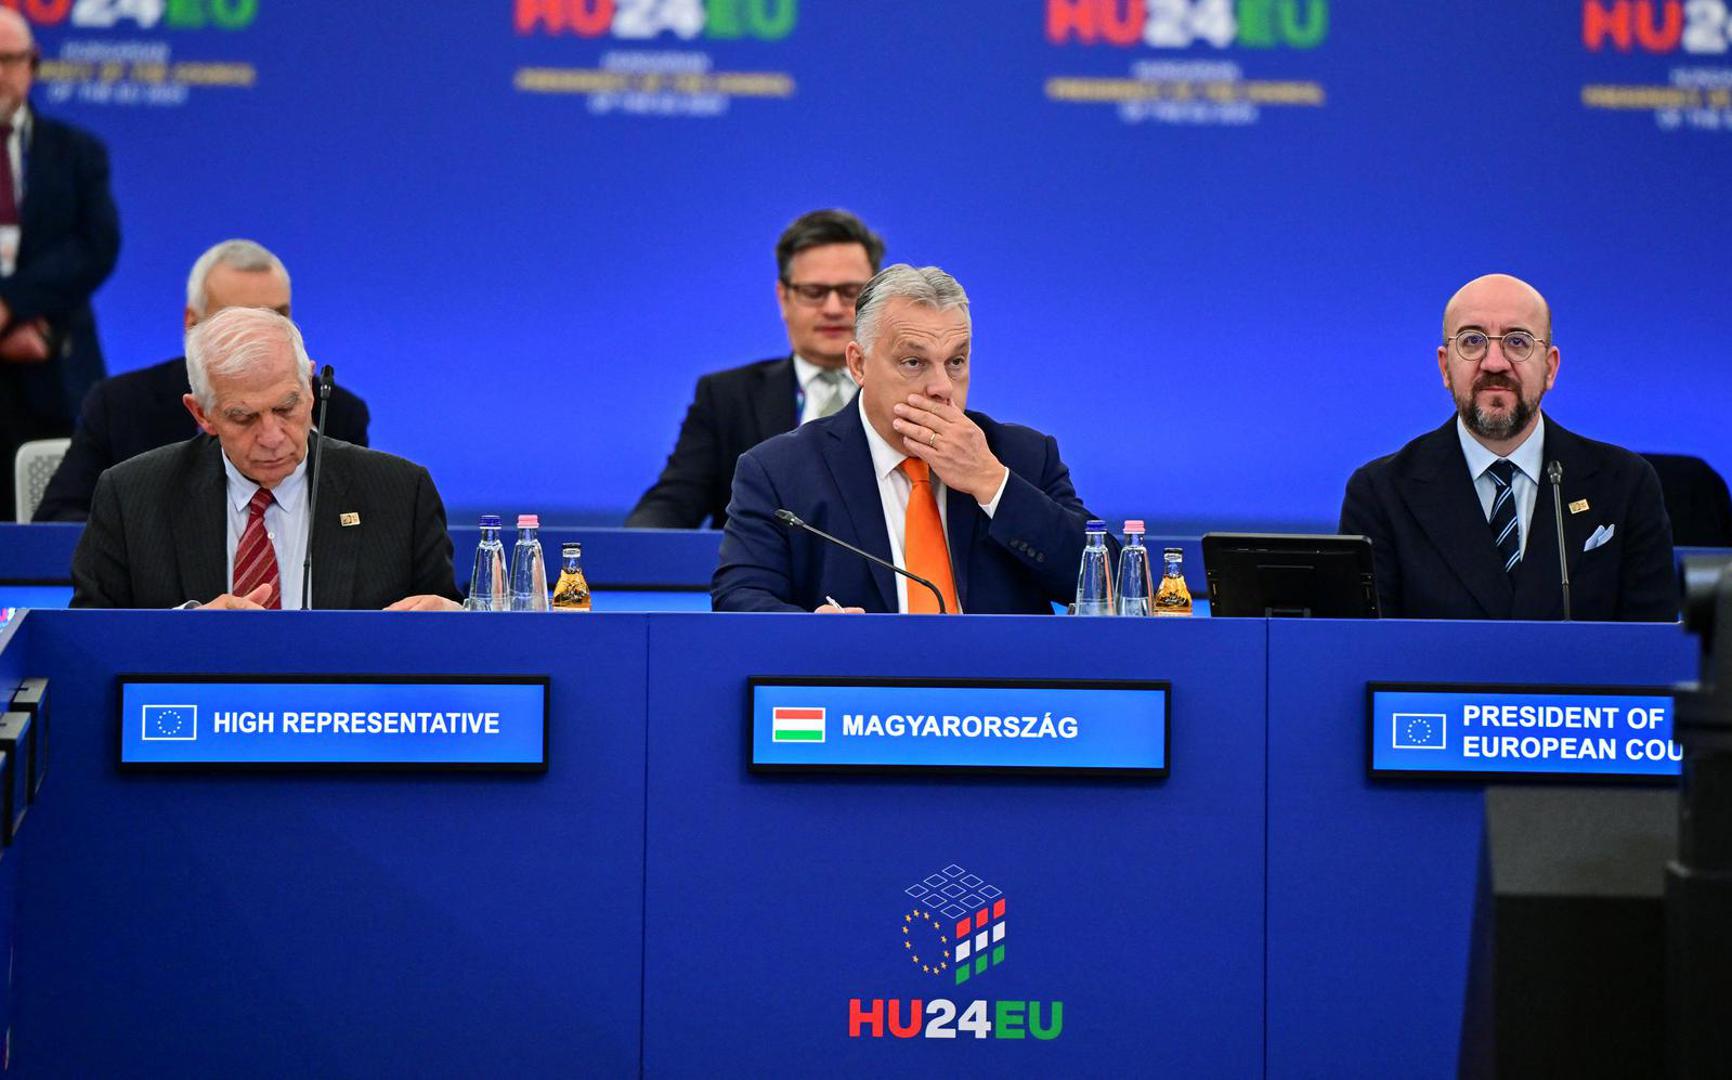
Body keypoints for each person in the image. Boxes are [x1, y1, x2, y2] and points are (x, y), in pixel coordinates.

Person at [713, 264, 1102, 614]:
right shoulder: (779, 472)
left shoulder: (1022, 457)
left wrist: (992, 484)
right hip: (859, 689)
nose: (941, 387)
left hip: (1003, 691)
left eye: (956, 361)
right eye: (913, 362)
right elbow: (739, 596)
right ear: (858, 364)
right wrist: (811, 631)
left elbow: (1109, 585)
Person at [70, 306, 459, 610]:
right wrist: (184, 631)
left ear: (309, 387)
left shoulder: (400, 494)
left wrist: (453, 621)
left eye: (287, 408)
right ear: (201, 413)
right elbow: (87, 640)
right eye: (244, 417)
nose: (272, 438)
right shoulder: (131, 496)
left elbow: (448, 634)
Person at [1339, 273, 1675, 620]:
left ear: (1550, 367)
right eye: (1472, 341)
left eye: (1517, 341)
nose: (1495, 363)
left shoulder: (1624, 484)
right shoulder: (1381, 493)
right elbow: (1367, 653)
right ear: (1445, 367)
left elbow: (1651, 652)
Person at [34, 238, 370, 521]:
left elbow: (358, 529)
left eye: (278, 316)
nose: (261, 335)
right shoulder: (120, 405)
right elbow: (58, 524)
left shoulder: (334, 410)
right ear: (192, 323)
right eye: (239, 320)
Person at [627, 208, 885, 529]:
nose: (833, 309)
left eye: (850, 293)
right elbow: (673, 503)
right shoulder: (726, 398)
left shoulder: (905, 395)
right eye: (814, 293)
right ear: (783, 297)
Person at [0, 8, 121, 520]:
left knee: (58, 529)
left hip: (54, 364)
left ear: (34, 64)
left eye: (9, 60)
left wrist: (8, 306)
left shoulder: (76, 152)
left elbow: (94, 246)